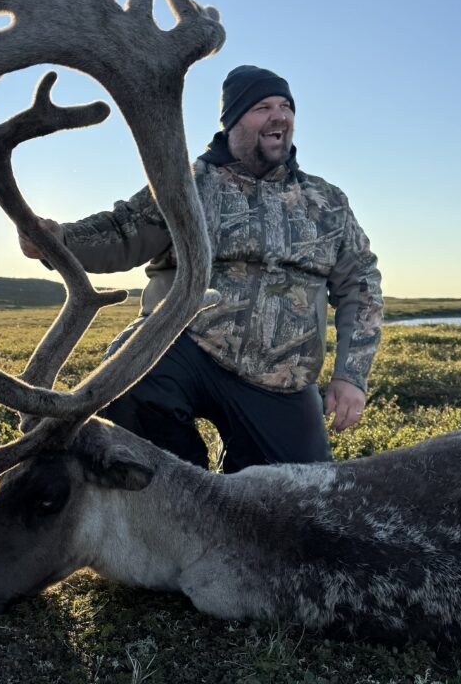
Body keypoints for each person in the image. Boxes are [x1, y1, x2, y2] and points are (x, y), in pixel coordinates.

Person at [20, 66, 383, 472]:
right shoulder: (187, 184)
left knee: (297, 495)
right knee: (133, 372)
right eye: (263, 107)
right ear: (233, 121)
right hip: (188, 348)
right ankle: (179, 484)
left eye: (286, 107)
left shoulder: (327, 202)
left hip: (282, 375)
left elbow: (361, 286)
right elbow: (124, 230)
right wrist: (59, 240)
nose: (279, 116)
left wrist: (351, 375)